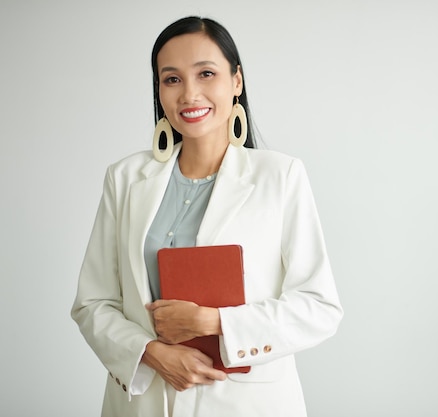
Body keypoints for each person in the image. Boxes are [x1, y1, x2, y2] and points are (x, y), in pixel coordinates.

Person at [71, 16, 343, 417]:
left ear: (237, 81)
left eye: (206, 74)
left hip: (247, 403)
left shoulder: (280, 176)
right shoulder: (125, 179)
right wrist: (149, 353)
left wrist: (215, 322)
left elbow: (319, 307)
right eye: (172, 79)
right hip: (145, 402)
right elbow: (93, 302)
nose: (189, 94)